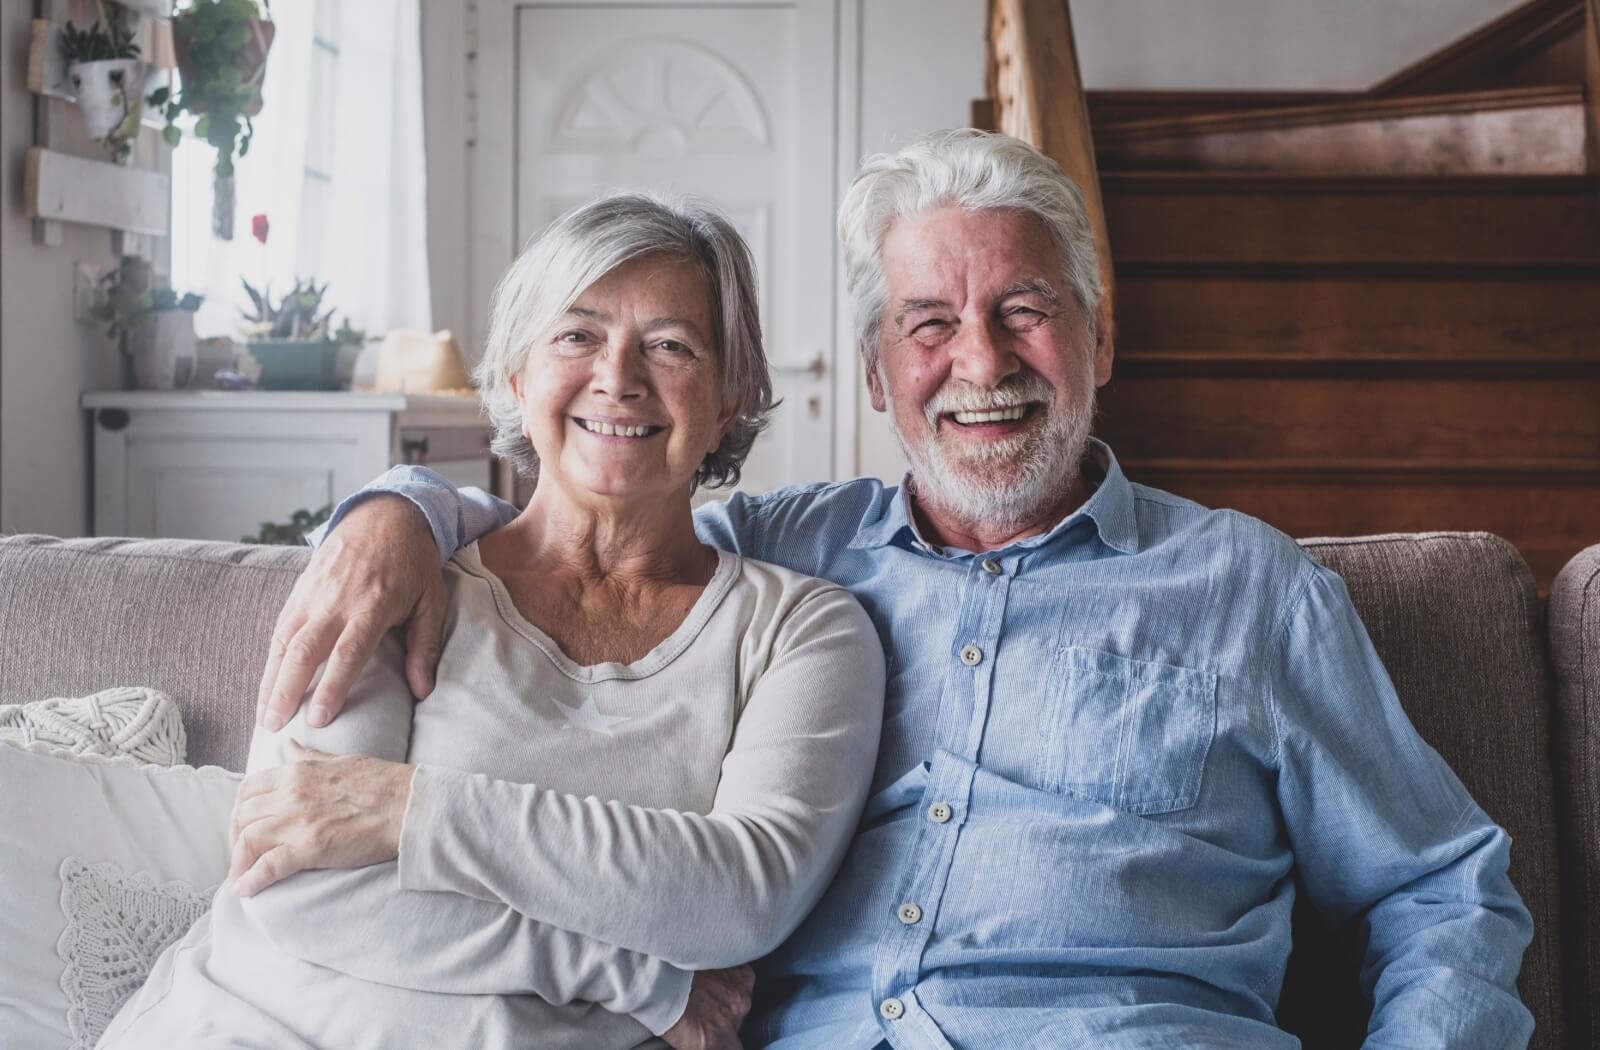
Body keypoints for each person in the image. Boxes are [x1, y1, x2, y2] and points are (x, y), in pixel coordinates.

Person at [257, 131, 1535, 1048]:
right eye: (929, 323)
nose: (980, 361)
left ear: (1098, 342)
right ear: (877, 374)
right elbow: (583, 523)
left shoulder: (1245, 585)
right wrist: (398, 512)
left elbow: (1441, 889)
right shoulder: (780, 555)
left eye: (1025, 311)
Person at [99, 193, 885, 1050]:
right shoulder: (396, 576)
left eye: (669, 345)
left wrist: (409, 811)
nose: (618, 377)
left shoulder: (800, 632)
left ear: (731, 398)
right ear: (518, 376)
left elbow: (738, 897)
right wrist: (644, 978)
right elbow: (296, 885)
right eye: (576, 335)